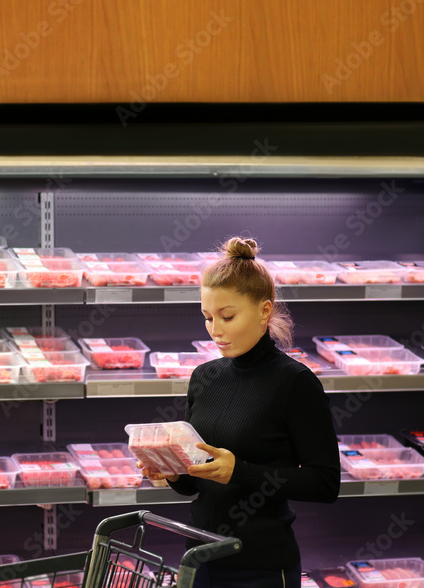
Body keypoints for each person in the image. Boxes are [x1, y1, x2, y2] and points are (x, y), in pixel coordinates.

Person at [139, 237, 340, 588]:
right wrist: (170, 470)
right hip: (199, 558)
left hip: (260, 567)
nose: (215, 330)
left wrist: (241, 472)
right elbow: (193, 484)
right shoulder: (205, 376)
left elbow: (325, 482)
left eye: (227, 316)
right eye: (207, 318)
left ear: (265, 310)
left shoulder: (295, 383)